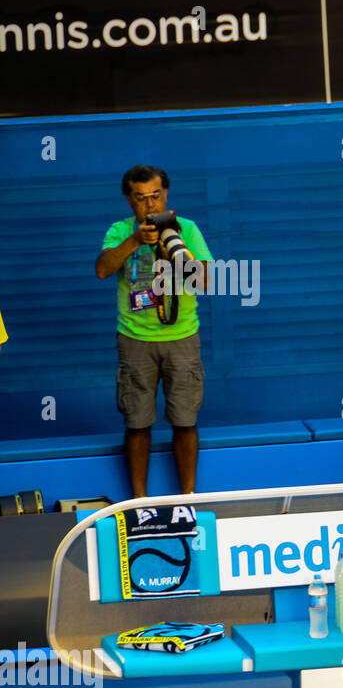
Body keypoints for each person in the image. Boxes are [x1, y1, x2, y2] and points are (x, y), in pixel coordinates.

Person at [95, 165, 212, 498]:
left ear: (166, 194)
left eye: (156, 196)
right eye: (141, 198)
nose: (150, 205)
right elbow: (103, 269)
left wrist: (174, 253)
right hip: (134, 340)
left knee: (185, 420)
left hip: (182, 338)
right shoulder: (120, 231)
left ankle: (188, 499)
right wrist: (135, 240)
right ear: (129, 200)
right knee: (136, 422)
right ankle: (138, 502)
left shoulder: (185, 229)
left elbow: (205, 280)